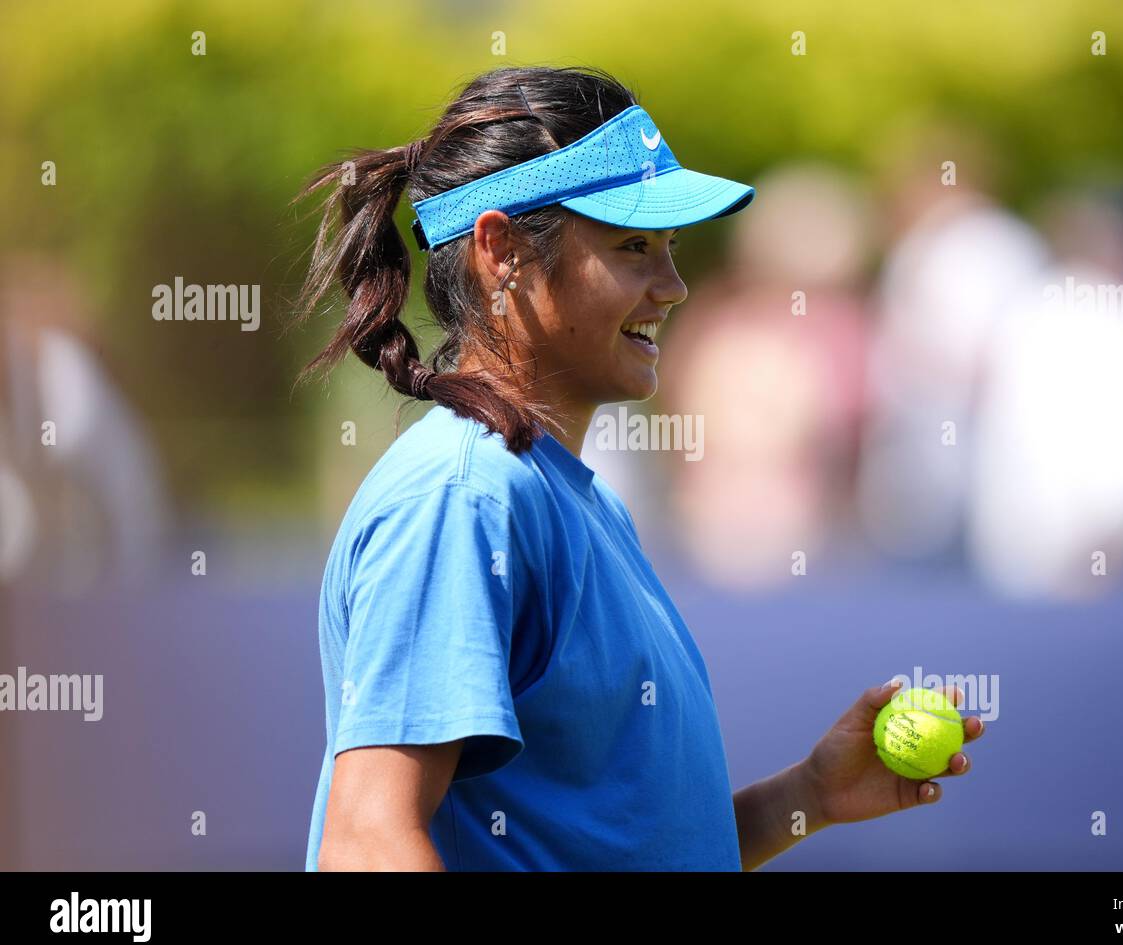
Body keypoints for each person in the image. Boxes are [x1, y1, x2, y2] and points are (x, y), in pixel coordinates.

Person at [293, 65, 984, 872]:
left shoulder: (565, 499)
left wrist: (808, 798)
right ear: (499, 249)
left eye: (672, 248)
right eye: (632, 247)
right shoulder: (463, 498)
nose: (674, 286)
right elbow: (369, 841)